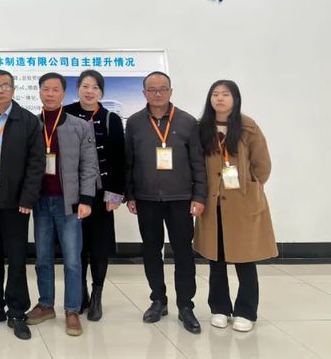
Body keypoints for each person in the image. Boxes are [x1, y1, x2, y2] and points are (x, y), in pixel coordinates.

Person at [125, 71, 206, 334]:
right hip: (146, 198)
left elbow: (198, 162)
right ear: (144, 93)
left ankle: (186, 305)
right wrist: (130, 195)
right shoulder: (135, 123)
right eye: (152, 89)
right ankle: (158, 300)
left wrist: (199, 196)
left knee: (183, 252)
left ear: (171, 91)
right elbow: (129, 162)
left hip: (181, 198)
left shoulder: (187, 122)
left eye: (162, 89)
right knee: (151, 250)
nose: (157, 94)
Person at [193, 80, 277, 332]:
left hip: (242, 204)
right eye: (215, 94)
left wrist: (249, 188)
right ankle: (219, 308)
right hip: (213, 203)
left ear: (235, 99)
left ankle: (246, 311)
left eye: (225, 94)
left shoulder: (248, 127)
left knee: (245, 259)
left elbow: (262, 166)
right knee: (216, 259)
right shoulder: (201, 128)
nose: (219, 99)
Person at [0, 69, 45, 340]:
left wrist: (28, 197)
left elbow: (36, 163)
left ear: (14, 90)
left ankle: (16, 311)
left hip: (16, 199)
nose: (0, 89)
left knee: (16, 255)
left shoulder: (27, 121)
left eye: (5, 85)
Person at [26, 73, 99, 337]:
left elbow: (89, 165)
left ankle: (71, 309)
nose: (49, 94)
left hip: (69, 203)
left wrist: (87, 199)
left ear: (63, 93)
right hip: (40, 202)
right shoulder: (31, 124)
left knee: (72, 260)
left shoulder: (79, 125)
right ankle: (46, 304)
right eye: (45, 89)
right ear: (39, 92)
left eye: (55, 89)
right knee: (43, 257)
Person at [64, 69, 125, 322]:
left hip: (101, 194)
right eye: (85, 86)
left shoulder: (110, 118)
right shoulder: (66, 114)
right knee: (75, 246)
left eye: (95, 87)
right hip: (72, 192)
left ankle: (97, 294)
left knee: (99, 247)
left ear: (101, 92)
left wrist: (115, 195)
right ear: (78, 88)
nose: (89, 91)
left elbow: (120, 159)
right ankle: (81, 293)